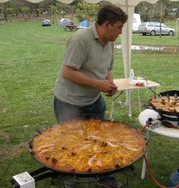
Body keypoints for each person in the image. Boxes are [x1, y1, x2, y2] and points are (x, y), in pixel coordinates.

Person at [53, 4, 128, 188]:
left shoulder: (109, 42)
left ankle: (102, 176)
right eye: (119, 27)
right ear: (107, 24)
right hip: (69, 102)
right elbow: (68, 72)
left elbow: (107, 68)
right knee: (73, 142)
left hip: (94, 100)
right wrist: (99, 84)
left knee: (99, 140)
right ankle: (71, 175)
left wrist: (109, 83)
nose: (121, 32)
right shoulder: (81, 39)